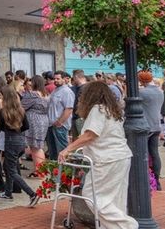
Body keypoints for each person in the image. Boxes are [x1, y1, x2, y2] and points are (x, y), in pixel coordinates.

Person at [57, 81, 137, 229]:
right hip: (120, 156)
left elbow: (91, 135)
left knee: (93, 195)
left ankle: (128, 226)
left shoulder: (97, 109)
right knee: (115, 199)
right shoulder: (110, 109)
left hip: (107, 158)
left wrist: (68, 149)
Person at [0, 86, 39, 206]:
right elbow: (26, 126)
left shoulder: (3, 111)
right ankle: (8, 193)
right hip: (20, 141)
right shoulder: (21, 110)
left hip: (10, 141)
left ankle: (32, 194)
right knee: (9, 167)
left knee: (11, 170)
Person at [138, 71, 164, 189]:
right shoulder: (160, 91)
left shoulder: (142, 92)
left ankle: (147, 179)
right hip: (157, 125)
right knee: (154, 153)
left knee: (144, 153)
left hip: (146, 126)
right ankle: (157, 180)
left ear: (142, 81)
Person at [21, 75, 49, 178]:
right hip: (44, 120)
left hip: (34, 121)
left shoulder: (32, 94)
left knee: (35, 147)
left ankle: (40, 172)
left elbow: (21, 106)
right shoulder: (45, 94)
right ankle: (41, 170)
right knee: (38, 145)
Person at [46, 70, 74, 160]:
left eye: (58, 79)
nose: (56, 80)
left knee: (61, 151)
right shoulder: (55, 90)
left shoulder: (66, 91)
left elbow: (69, 109)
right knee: (52, 152)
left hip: (60, 126)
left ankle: (64, 172)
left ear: (64, 79)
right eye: (54, 79)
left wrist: (60, 122)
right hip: (51, 125)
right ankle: (55, 172)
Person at [69, 70, 88, 140]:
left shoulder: (85, 88)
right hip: (77, 117)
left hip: (80, 118)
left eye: (73, 78)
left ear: (76, 77)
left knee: (81, 140)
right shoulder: (77, 88)